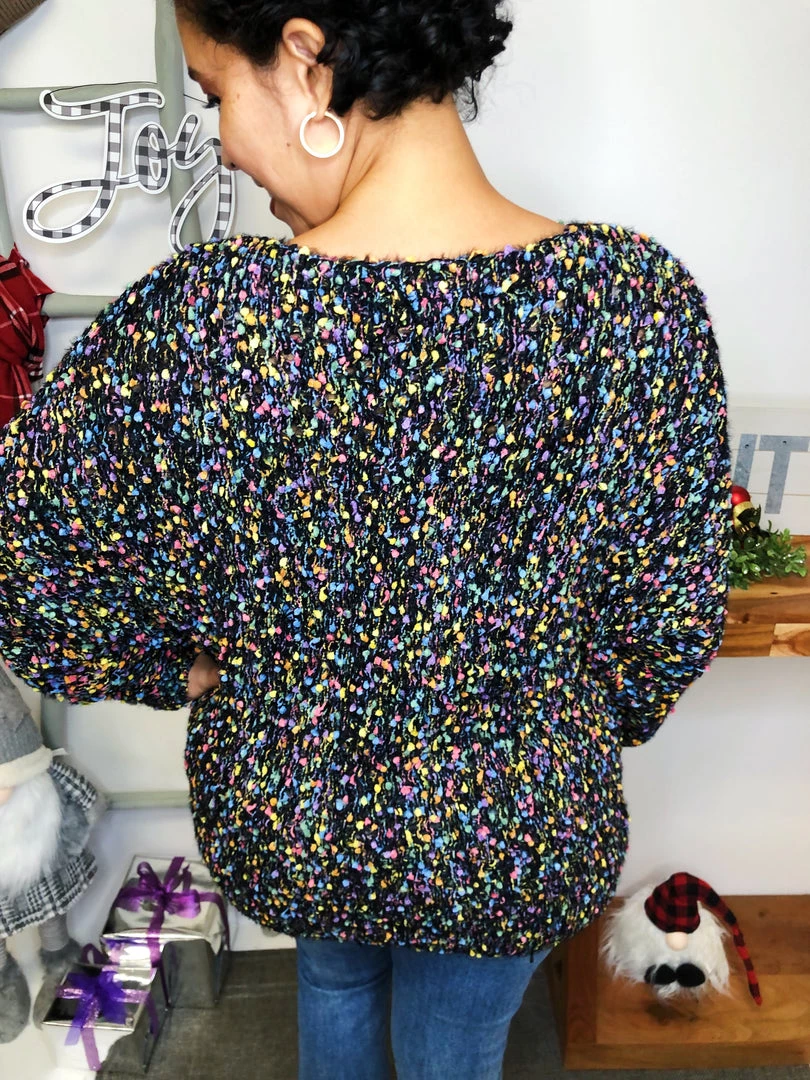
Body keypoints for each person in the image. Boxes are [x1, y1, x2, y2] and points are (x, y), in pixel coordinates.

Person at [0, 2, 733, 1078]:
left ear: (305, 60)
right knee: (456, 1046)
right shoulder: (635, 308)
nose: (222, 142)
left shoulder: (207, 320)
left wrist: (187, 668)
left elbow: (30, 556)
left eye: (215, 94)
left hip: (301, 813)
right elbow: (668, 622)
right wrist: (551, 726)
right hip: (510, 827)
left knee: (335, 992)